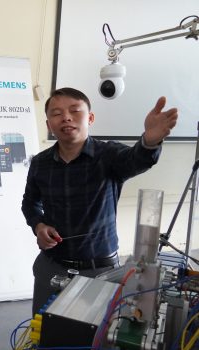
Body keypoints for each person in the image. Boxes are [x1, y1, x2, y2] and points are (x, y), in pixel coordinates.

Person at [22, 87, 178, 315]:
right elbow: (29, 202)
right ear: (48, 124)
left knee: (95, 335)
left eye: (75, 110)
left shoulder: (108, 155)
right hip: (51, 267)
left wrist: (149, 142)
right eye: (56, 113)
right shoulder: (40, 163)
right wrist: (39, 225)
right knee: (43, 332)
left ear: (90, 118)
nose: (66, 117)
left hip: (100, 271)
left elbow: (136, 160)